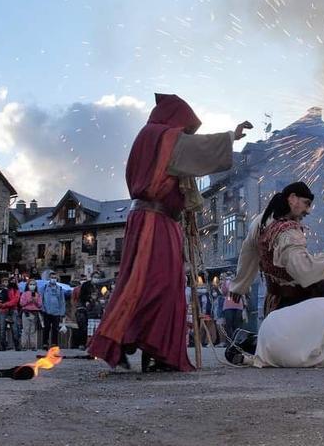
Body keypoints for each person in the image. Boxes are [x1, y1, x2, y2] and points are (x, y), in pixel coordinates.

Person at [88, 94, 251, 372]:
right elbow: (196, 149)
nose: (185, 134)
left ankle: (138, 343)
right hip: (155, 221)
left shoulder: (146, 137)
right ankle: (133, 340)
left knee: (148, 284)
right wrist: (231, 137)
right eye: (185, 128)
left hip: (153, 220)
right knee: (157, 285)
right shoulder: (161, 137)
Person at [232, 182, 324, 316]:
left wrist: (238, 286)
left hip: (273, 300)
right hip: (293, 302)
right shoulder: (288, 232)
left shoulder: (262, 220)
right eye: (306, 203)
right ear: (292, 198)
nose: (308, 211)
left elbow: (248, 253)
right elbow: (303, 270)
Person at [42, 272, 71, 348]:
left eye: (55, 278)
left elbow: (62, 301)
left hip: (57, 312)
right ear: (49, 278)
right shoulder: (45, 287)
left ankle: (54, 343)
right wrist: (43, 309)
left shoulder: (60, 288)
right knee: (46, 328)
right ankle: (45, 343)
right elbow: (42, 299)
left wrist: (62, 312)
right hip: (47, 311)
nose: (53, 279)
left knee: (55, 329)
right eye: (52, 277)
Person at [0, 278, 20, 351]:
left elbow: (15, 301)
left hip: (13, 310)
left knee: (15, 329)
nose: (12, 282)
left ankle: (17, 346)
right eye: (11, 281)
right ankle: (2, 346)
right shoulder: (1, 290)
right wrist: (0, 304)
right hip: (2, 311)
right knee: (2, 329)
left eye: (14, 281)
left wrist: (4, 305)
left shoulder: (16, 290)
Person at [221, 273, 245, 341]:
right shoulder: (227, 282)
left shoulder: (239, 282)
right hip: (228, 306)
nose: (231, 276)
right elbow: (224, 292)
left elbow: (243, 290)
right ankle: (230, 341)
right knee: (229, 324)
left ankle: (237, 341)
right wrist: (224, 281)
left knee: (237, 325)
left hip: (238, 305)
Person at [20, 281, 43, 351]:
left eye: (34, 284)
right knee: (25, 330)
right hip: (26, 312)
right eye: (31, 284)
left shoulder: (38, 294)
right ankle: (23, 345)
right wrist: (29, 300)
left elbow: (40, 305)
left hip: (34, 313)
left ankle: (33, 346)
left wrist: (35, 301)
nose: (32, 286)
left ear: (36, 286)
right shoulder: (24, 294)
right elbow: (21, 303)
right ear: (28, 285)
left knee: (33, 330)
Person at [74, 275, 94, 349]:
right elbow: (73, 300)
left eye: (85, 279)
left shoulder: (89, 288)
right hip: (80, 309)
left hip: (89, 310)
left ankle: (86, 344)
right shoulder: (76, 289)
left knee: (88, 328)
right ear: (79, 280)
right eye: (82, 279)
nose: (83, 280)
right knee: (82, 327)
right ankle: (81, 344)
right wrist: (75, 309)